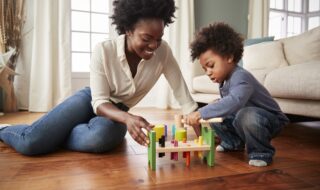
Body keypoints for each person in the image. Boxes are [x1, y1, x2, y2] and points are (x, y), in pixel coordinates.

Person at [0, 0, 198, 155]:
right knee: (31, 143)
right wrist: (128, 118)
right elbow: (99, 101)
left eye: (159, 38)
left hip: (118, 113)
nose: (154, 45)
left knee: (101, 139)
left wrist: (202, 135)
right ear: (128, 30)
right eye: (146, 39)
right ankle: (7, 131)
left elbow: (183, 96)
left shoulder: (163, 53)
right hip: (90, 100)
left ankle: (51, 136)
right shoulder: (104, 50)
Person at [184, 22, 289, 167]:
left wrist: (201, 112)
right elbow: (227, 106)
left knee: (243, 114)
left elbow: (235, 101)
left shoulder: (241, 76)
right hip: (244, 117)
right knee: (216, 109)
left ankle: (261, 152)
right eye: (204, 69)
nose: (208, 72)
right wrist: (211, 108)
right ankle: (233, 142)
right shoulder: (224, 81)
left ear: (229, 57)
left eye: (211, 65)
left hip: (271, 120)